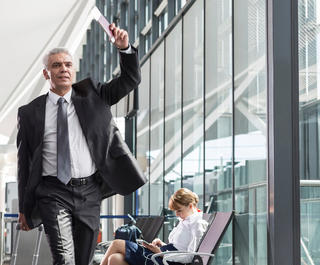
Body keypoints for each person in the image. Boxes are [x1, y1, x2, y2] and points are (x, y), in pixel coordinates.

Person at [17, 23, 146, 265]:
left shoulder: (94, 94)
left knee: (83, 260)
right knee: (64, 260)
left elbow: (130, 80)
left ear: (73, 70)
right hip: (52, 192)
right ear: (46, 73)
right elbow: (25, 163)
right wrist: (25, 207)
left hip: (90, 192)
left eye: (67, 64)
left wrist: (125, 49)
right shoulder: (30, 112)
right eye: (56, 65)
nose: (63, 69)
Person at [100, 188, 208, 265]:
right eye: (175, 211)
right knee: (114, 259)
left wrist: (161, 253)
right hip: (162, 255)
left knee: (117, 244)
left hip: (165, 260)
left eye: (179, 210)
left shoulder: (197, 224)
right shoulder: (185, 221)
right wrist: (162, 244)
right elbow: (179, 247)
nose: (177, 214)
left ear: (190, 206)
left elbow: (190, 256)